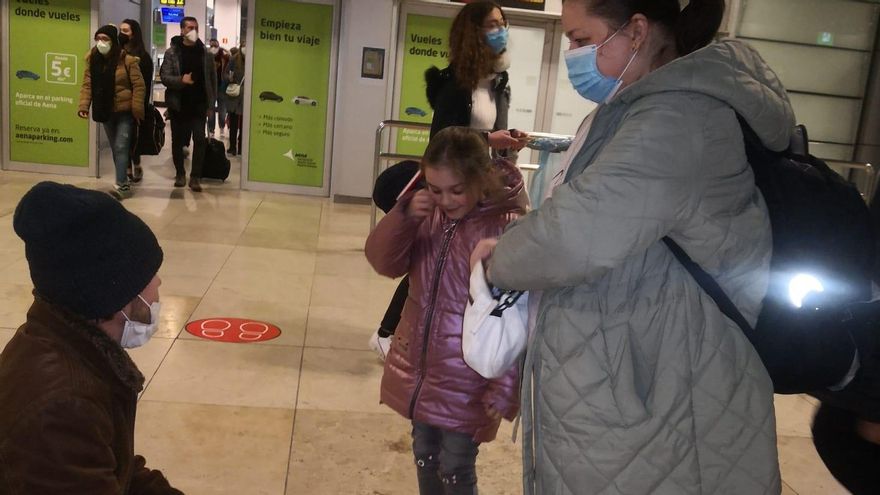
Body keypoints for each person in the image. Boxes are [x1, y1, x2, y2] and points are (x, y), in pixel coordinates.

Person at [472, 0, 794, 493]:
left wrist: (500, 257)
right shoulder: (640, 109)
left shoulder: (678, 117)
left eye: (581, 40)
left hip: (664, 392)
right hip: (644, 374)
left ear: (637, 31)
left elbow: (573, 234)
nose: (572, 55)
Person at [364, 127, 525, 494]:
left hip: (470, 376)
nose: (446, 200)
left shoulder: (504, 228)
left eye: (456, 190)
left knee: (455, 466)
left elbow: (516, 316)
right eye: (435, 190)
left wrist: (505, 387)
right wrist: (404, 215)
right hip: (421, 368)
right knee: (424, 453)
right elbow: (384, 262)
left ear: (481, 178)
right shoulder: (427, 215)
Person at [368, 1, 527, 360]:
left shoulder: (498, 83)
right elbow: (442, 137)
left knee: (456, 263)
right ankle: (387, 332)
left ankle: (452, 331)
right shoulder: (455, 83)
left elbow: (493, 137)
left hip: (481, 189)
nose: (500, 31)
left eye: (502, 23)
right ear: (473, 32)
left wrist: (508, 140)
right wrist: (488, 139)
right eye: (491, 24)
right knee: (431, 259)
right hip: (454, 186)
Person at [0, 181, 181, 494]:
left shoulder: (65, 342)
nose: (158, 282)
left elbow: (117, 467)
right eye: (147, 275)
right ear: (112, 293)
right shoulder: (63, 407)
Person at [78, 25, 146, 200]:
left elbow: (139, 85)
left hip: (125, 112)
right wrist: (83, 106)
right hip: (105, 111)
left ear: (113, 41)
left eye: (105, 39)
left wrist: (137, 109)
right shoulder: (93, 60)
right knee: (117, 149)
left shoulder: (127, 60)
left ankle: (122, 184)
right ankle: (123, 178)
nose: (101, 42)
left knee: (121, 146)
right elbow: (87, 85)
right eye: (98, 39)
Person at [160, 16, 217, 192]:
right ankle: (180, 173)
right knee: (177, 141)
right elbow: (165, 77)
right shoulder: (172, 53)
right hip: (179, 104)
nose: (193, 31)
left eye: (196, 27)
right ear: (182, 30)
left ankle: (195, 177)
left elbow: (212, 80)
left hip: (199, 104)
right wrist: (181, 80)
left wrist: (211, 105)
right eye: (189, 27)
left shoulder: (205, 54)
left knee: (199, 139)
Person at [120, 19, 153, 184]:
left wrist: (141, 107)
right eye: (120, 30)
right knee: (122, 139)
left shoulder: (143, 58)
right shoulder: (117, 54)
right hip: (119, 104)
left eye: (125, 31)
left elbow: (144, 85)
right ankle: (126, 168)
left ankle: (136, 162)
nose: (121, 34)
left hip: (135, 104)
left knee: (132, 137)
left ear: (134, 34)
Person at [224, 43, 245, 156]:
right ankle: (232, 147)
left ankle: (242, 146)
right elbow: (225, 74)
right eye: (244, 46)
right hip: (235, 95)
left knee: (244, 123)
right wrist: (229, 78)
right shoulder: (234, 59)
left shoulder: (253, 59)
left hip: (246, 95)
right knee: (233, 122)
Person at [207, 38, 229, 138]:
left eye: (215, 46)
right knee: (210, 109)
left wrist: (225, 50)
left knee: (222, 109)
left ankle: (222, 127)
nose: (213, 48)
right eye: (211, 46)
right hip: (211, 87)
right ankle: (211, 129)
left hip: (221, 86)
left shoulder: (224, 56)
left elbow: (231, 58)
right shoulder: (207, 57)